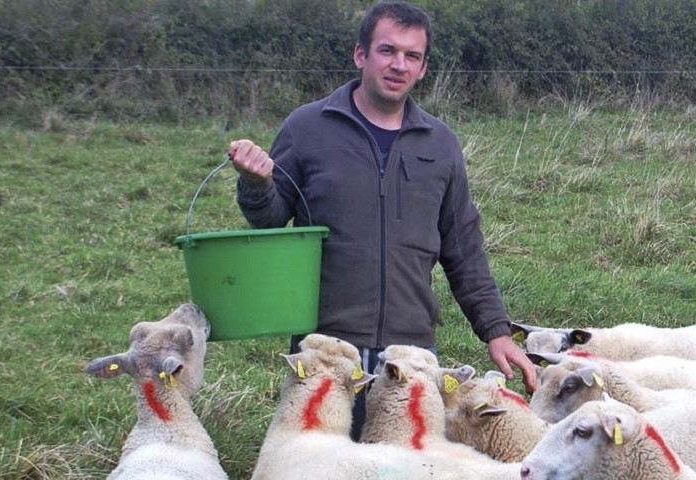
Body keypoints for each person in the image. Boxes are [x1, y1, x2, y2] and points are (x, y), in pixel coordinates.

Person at [227, 1, 537, 439]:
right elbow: (272, 222)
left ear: (424, 67)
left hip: (410, 353)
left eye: (412, 56)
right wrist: (257, 185)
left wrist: (496, 330)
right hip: (327, 349)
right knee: (320, 465)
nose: (399, 65)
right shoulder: (307, 128)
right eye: (387, 50)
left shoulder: (440, 143)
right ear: (361, 55)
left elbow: (463, 247)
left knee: (405, 464)